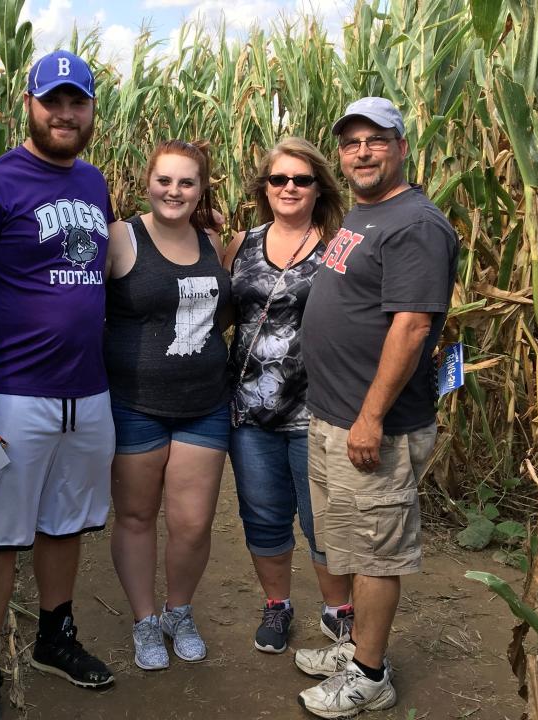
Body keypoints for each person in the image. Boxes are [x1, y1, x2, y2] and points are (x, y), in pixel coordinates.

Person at [0, 50, 116, 720]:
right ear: (30, 106)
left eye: (78, 102)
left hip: (87, 392)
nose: (66, 114)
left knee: (64, 520)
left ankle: (54, 635)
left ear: (93, 110)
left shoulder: (94, 185)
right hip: (13, 393)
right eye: (53, 102)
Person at [295, 98, 458, 717]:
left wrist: (370, 418)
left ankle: (369, 675)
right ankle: (357, 647)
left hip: (374, 428)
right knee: (351, 545)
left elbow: (413, 327)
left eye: (376, 140)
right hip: (334, 415)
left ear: (401, 146)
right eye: (351, 142)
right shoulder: (367, 215)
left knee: (374, 552)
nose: (362, 151)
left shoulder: (415, 223)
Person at [104, 139, 231, 672]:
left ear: (201, 190)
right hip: (135, 402)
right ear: (147, 182)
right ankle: (144, 619)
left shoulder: (215, 241)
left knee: (193, 523)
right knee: (136, 516)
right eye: (165, 181)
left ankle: (179, 611)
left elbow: (221, 313)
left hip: (205, 402)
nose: (174, 191)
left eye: (186, 182)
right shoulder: (119, 238)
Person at [221, 137, 347, 654]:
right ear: (264, 189)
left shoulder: (341, 243)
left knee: (323, 519)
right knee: (263, 514)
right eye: (279, 179)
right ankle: (277, 605)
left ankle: (340, 611)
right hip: (249, 409)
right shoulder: (242, 244)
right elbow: (223, 317)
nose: (289, 187)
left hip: (319, 409)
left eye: (301, 179)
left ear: (319, 188)